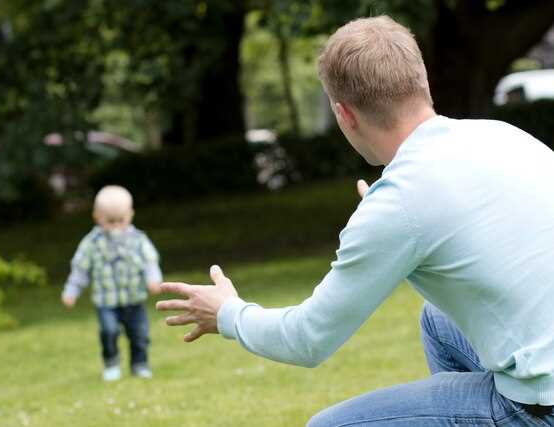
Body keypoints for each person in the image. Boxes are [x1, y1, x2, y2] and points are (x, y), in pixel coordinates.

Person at [156, 15, 554, 426]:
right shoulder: (500, 135)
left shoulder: (401, 202)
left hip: (540, 405)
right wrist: (391, 225)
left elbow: (308, 340)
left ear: (344, 115)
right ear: (424, 85)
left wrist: (227, 313)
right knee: (437, 321)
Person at [62, 185, 162, 381]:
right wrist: (71, 291)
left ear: (130, 215)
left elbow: (150, 262)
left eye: (121, 221)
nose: (116, 226)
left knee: (140, 335)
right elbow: (80, 269)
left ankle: (139, 365)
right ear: (97, 216)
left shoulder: (138, 240)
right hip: (106, 303)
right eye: (110, 221)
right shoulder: (91, 243)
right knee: (108, 332)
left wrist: (153, 280)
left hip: (134, 300)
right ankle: (111, 364)